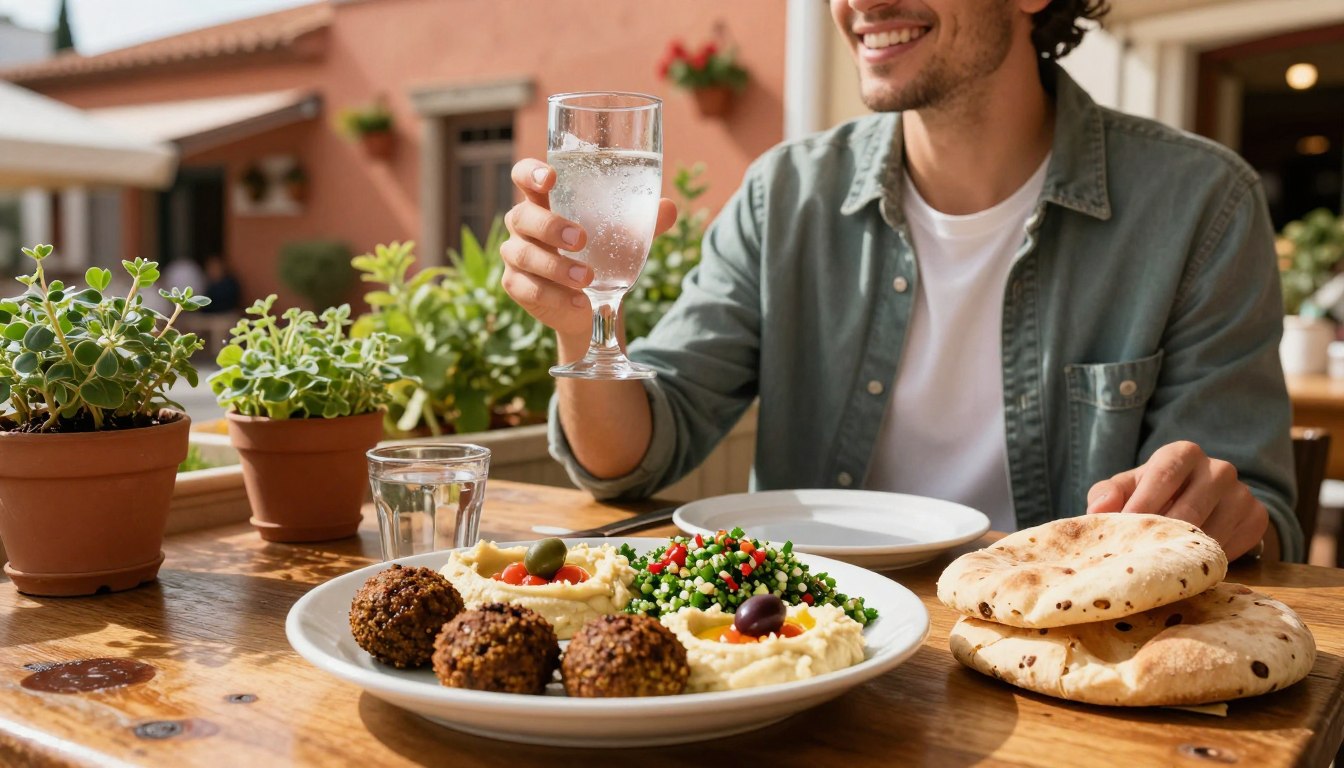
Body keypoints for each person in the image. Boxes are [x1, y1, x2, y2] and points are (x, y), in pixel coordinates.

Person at [499, 0, 1300, 563]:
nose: (861, 2)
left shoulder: (1199, 206)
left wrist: (1216, 510)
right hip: (806, 640)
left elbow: (1256, 520)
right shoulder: (786, 196)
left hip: (1055, 654)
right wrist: (579, 324)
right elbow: (630, 456)